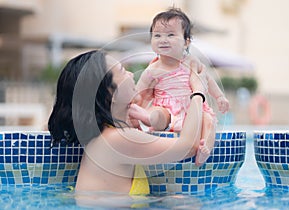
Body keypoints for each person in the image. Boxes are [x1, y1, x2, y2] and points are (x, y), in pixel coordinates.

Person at [48, 50, 207, 198]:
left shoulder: (109, 133)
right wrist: (198, 91)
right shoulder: (116, 139)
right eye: (123, 72)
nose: (131, 75)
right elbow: (188, 147)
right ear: (111, 93)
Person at [129, 8, 230, 166]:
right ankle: (147, 118)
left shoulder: (191, 62)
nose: (163, 39)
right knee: (157, 116)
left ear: (186, 41)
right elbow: (140, 93)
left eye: (170, 35)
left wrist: (219, 96)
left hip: (193, 110)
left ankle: (204, 149)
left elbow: (207, 79)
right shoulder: (152, 70)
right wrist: (135, 109)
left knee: (209, 121)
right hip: (166, 108)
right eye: (157, 35)